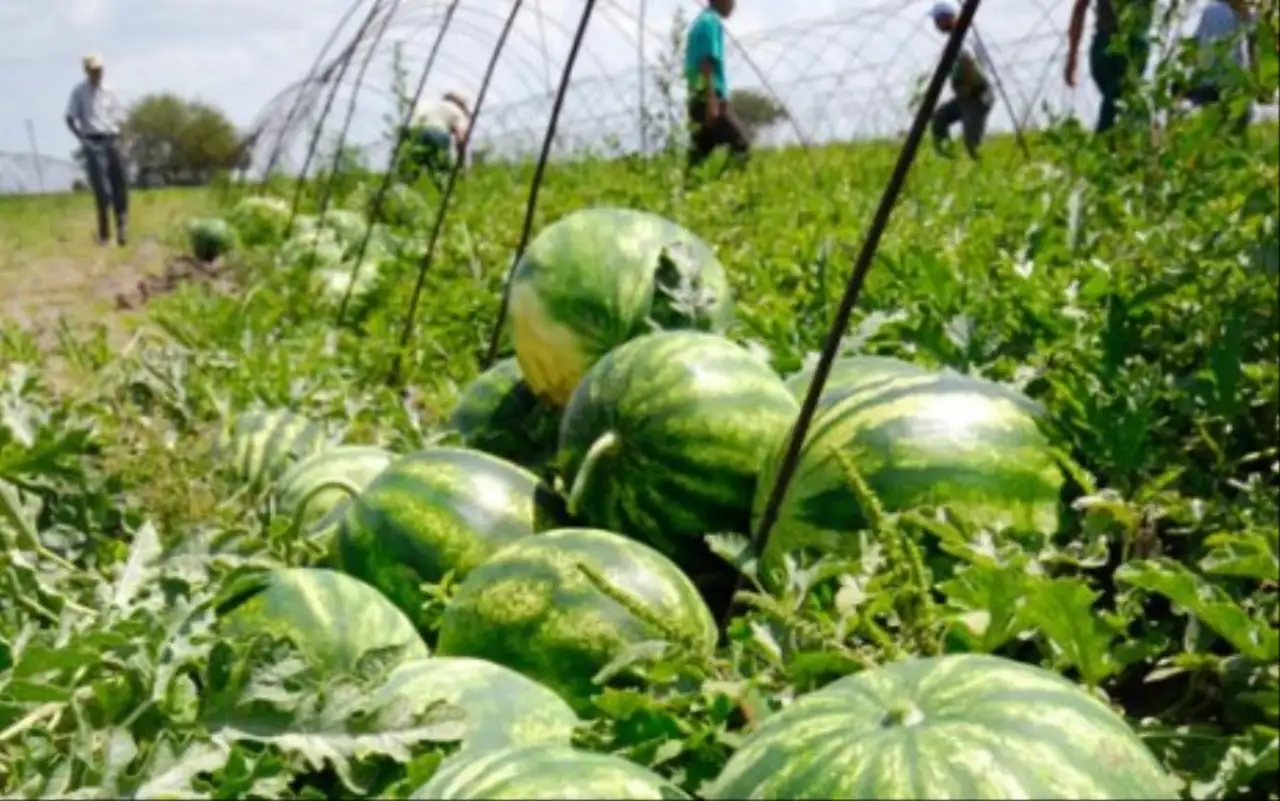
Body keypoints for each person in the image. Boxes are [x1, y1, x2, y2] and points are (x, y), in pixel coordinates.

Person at [65, 53, 129, 246]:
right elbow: (70, 117)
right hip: (93, 141)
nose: (97, 73)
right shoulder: (79, 92)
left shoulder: (110, 91)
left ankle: (122, 228)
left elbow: (121, 116)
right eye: (94, 70)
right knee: (102, 189)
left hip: (112, 139)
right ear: (87, 71)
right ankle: (104, 235)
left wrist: (123, 140)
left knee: (120, 184)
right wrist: (82, 138)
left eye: (100, 69)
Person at [1065, 0, 1156, 134]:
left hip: (1127, 41)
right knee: (1119, 99)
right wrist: (1072, 56)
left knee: (1120, 100)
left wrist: (1072, 56)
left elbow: (1080, 8)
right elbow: (1080, 8)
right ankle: (1107, 141)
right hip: (1112, 43)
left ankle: (1113, 141)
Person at [684, 0, 750, 178]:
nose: (734, 5)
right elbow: (706, 64)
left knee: (699, 153)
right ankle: (729, 188)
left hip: (700, 97)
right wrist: (712, 101)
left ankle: (686, 192)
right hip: (708, 97)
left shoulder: (702, 21)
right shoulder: (710, 23)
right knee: (741, 144)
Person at [927, 2, 996, 160]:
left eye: (937, 20)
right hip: (967, 96)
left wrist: (967, 87)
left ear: (946, 19)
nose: (936, 25)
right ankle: (948, 157)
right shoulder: (958, 36)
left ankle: (979, 166)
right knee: (940, 118)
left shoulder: (962, 37)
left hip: (976, 95)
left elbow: (967, 61)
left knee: (971, 141)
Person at [1181, 0, 1258, 134]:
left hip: (1206, 83)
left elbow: (1194, 48)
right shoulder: (1239, 14)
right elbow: (1254, 50)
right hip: (1226, 84)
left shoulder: (1211, 10)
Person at [402, 92, 471, 187]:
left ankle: (401, 192)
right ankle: (445, 196)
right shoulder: (458, 112)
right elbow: (461, 139)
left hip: (414, 131)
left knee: (410, 171)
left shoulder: (427, 103)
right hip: (437, 133)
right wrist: (461, 167)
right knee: (441, 174)